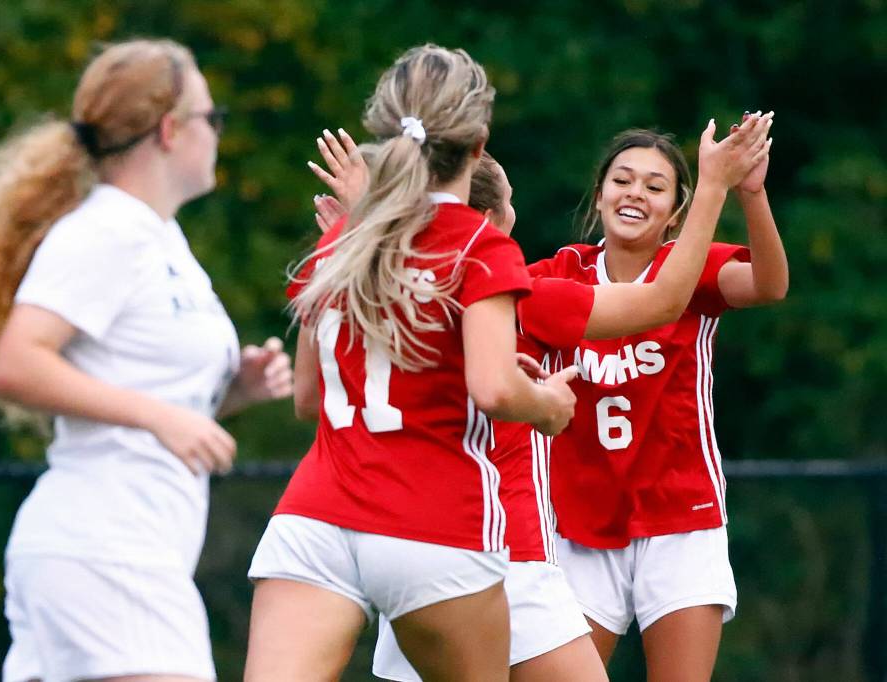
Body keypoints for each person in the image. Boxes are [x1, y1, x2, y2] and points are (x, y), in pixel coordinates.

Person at [309, 114, 771, 681]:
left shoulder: (383, 288)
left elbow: (309, 399)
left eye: (654, 185)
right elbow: (658, 303)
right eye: (507, 207)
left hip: (365, 529)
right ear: (487, 220)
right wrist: (544, 404)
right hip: (502, 546)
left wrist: (358, 233)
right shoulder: (518, 290)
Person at [0, 39, 292, 682]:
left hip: (118, 552)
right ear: (171, 131)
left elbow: (135, 389)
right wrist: (162, 417)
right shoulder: (106, 231)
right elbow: (16, 364)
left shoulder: (157, 235)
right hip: (105, 551)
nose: (217, 134)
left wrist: (230, 393)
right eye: (212, 117)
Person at [244, 44, 578, 682]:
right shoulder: (481, 242)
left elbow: (310, 401)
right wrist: (550, 406)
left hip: (315, 517)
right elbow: (494, 387)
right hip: (432, 523)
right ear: (478, 144)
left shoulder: (343, 236)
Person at [537, 119, 787, 682]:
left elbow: (770, 285)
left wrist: (752, 193)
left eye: (654, 186)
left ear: (676, 210)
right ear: (599, 193)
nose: (635, 193)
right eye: (622, 180)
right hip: (580, 521)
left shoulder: (691, 267)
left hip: (679, 516)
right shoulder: (562, 274)